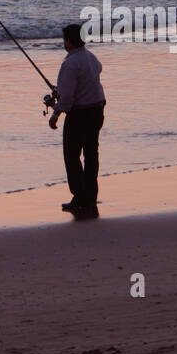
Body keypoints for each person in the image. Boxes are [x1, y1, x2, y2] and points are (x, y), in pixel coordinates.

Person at [48, 23, 105, 216]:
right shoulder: (91, 57)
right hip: (97, 110)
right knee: (91, 154)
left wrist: (55, 115)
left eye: (64, 39)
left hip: (80, 114)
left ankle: (80, 198)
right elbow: (89, 80)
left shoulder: (70, 63)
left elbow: (67, 99)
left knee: (71, 156)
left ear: (70, 41)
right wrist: (62, 93)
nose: (63, 43)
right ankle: (89, 196)